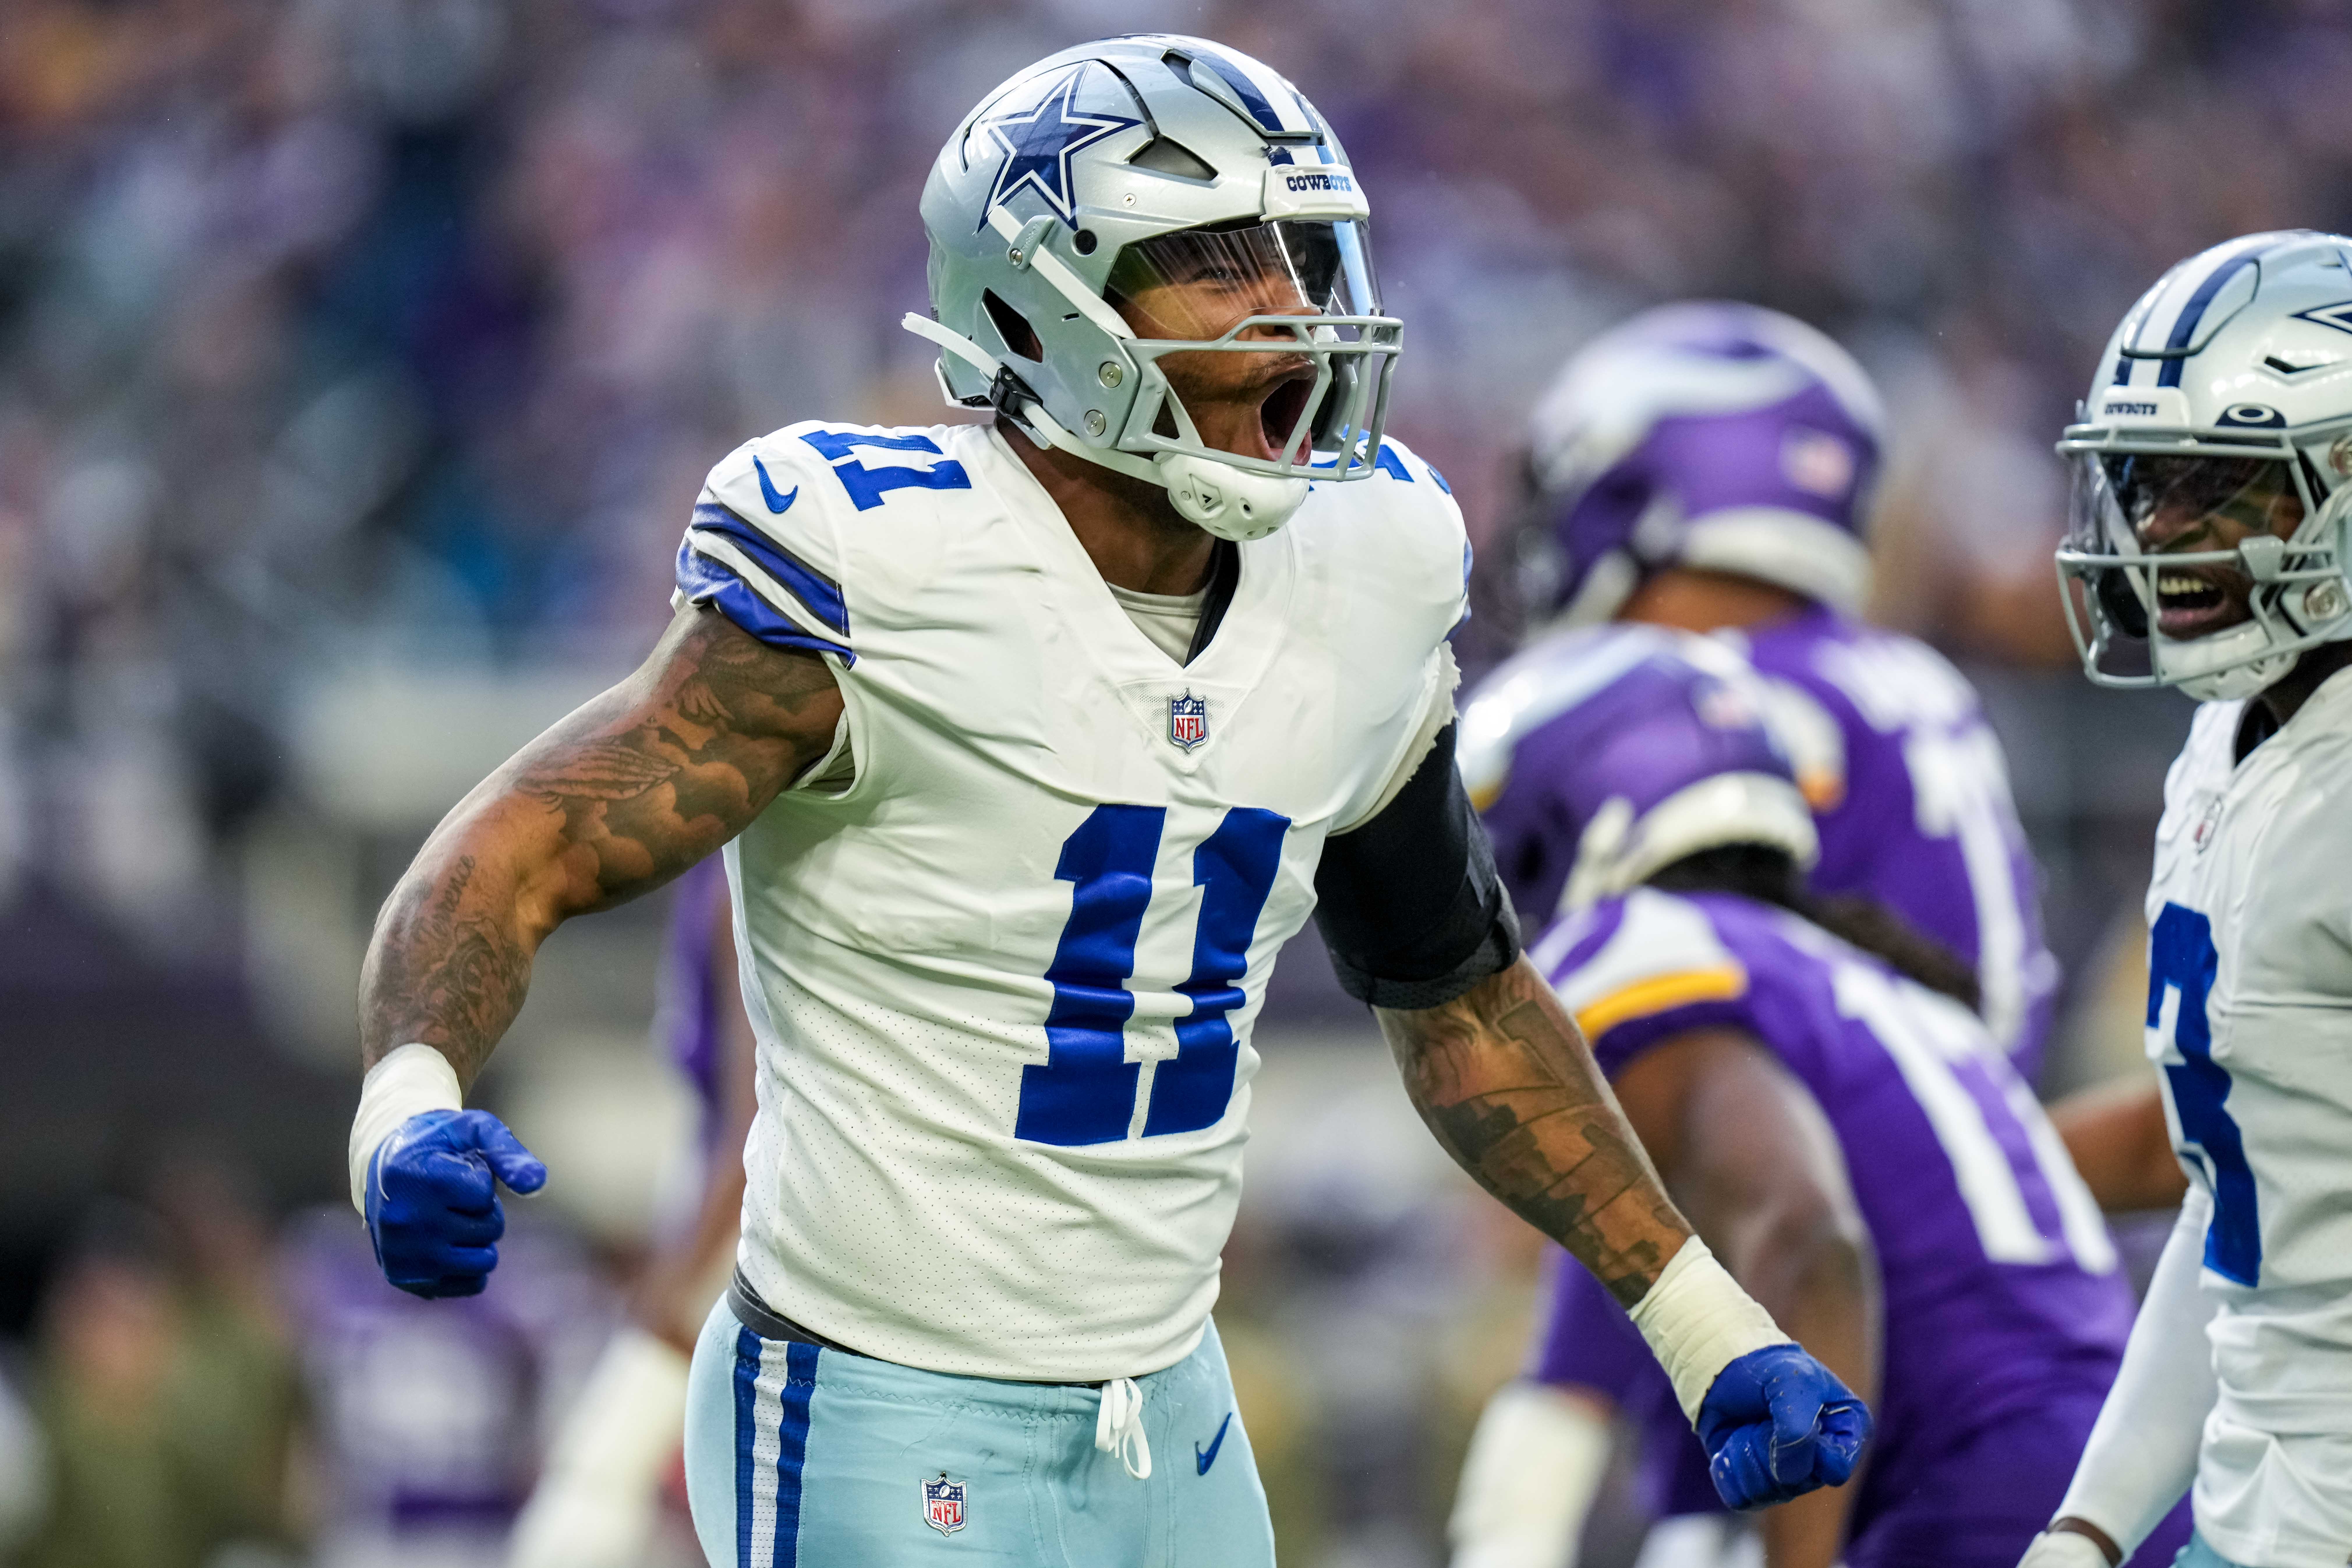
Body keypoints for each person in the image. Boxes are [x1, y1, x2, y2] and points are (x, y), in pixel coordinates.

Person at [340, 36, 1868, 1566]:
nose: (1290, 304)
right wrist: (408, 1099)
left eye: (1298, 249)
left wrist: (1698, 1318)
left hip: (1171, 1407)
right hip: (878, 1401)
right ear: (1041, 309)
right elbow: (521, 847)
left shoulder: (1366, 568)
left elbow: (1457, 996)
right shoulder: (879, 572)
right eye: (1213, 261)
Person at [1453, 303, 2070, 1568]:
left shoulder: (1691, 714)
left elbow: (1785, 1197)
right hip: (1979, 1235)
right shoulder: (1905, 683)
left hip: (1842, 1343)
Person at [1453, 625, 2167, 1568]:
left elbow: (1807, 1237)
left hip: (1966, 1502)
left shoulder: (1641, 953)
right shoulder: (1862, 977)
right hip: (2120, 1491)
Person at [2019, 229, 2352, 1568]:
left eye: (2222, 489)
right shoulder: (2226, 742)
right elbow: (2238, 1199)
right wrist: (2095, 1520)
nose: (2160, 532)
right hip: (2259, 1502)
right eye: (2149, 485)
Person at [507, 856, 757, 1568]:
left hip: (740, 1283)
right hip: (726, 1274)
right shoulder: (714, 873)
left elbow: (763, 1138)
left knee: (576, 1536)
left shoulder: (748, 874)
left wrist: (659, 1321)